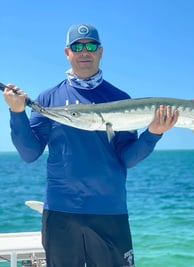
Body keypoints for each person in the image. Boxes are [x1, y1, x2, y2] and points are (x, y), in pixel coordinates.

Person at [4, 23, 179, 267]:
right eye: (77, 46)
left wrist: (153, 134)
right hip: (60, 212)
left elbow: (127, 158)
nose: (84, 51)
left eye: (90, 46)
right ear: (68, 52)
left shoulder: (121, 100)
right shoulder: (48, 99)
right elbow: (29, 153)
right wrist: (17, 112)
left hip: (109, 210)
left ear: (100, 51)